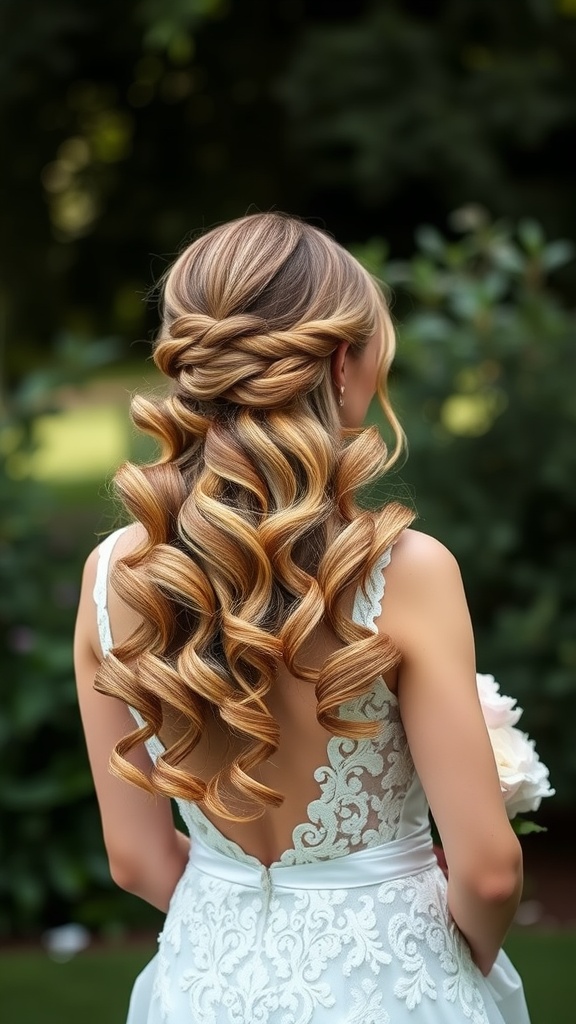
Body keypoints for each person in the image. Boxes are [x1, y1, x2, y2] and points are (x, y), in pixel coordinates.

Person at [74, 211, 531, 1023]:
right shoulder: (407, 571)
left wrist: (235, 924)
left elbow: (137, 862)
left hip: (201, 986)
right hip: (389, 984)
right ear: (345, 362)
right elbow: (490, 873)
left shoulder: (114, 573)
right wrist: (468, 968)